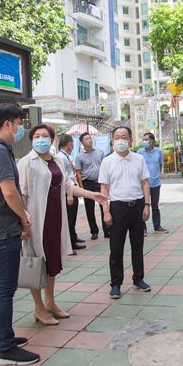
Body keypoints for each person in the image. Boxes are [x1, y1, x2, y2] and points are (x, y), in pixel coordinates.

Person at [18, 125, 107, 324]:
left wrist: (92, 195)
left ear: (51, 140)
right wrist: (23, 224)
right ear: (32, 140)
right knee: (36, 261)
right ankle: (39, 308)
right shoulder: (26, 162)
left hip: (56, 217)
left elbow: (68, 185)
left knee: (53, 260)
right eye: (37, 136)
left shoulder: (58, 160)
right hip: (36, 219)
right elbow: (22, 194)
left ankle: (50, 302)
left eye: (45, 136)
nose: (41, 139)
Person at [0, 103, 39, 366]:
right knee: (4, 290)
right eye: (18, 123)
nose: (20, 128)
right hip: (1, 231)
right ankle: (6, 349)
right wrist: (24, 217)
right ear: (7, 124)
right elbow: (9, 192)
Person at [99, 126, 152, 299]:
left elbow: (145, 183)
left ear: (130, 140)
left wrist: (147, 205)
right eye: (117, 137)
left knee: (138, 246)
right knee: (116, 247)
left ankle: (138, 279)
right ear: (113, 140)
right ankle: (116, 284)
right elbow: (104, 188)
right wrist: (106, 212)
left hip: (136, 206)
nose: (120, 140)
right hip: (117, 208)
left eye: (124, 137)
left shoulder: (139, 159)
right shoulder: (107, 161)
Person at [75, 132, 107, 240]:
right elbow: (78, 173)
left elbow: (104, 167)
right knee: (89, 208)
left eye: (90, 138)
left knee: (104, 205)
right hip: (87, 182)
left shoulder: (100, 152)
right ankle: (94, 231)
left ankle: (107, 230)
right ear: (82, 142)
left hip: (99, 182)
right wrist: (81, 187)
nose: (89, 140)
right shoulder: (79, 157)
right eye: (86, 139)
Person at [57, 134, 86, 251]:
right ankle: (70, 242)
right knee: (70, 217)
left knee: (72, 216)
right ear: (68, 144)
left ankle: (73, 236)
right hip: (68, 189)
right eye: (71, 143)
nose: (73, 146)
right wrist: (69, 194)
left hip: (71, 187)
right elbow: (64, 177)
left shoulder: (66, 156)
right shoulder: (61, 157)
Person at [138, 132, 169, 236]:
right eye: (144, 139)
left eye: (147, 139)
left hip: (155, 183)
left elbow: (160, 164)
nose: (145, 141)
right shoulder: (140, 152)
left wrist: (156, 175)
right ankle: (142, 228)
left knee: (155, 206)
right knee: (143, 206)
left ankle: (157, 226)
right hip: (142, 184)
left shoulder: (158, 151)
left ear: (152, 141)